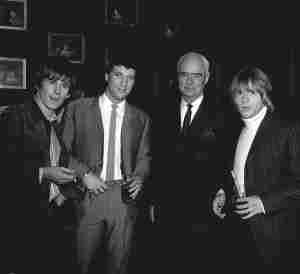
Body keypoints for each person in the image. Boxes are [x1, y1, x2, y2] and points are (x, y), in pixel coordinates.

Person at [61, 50, 151, 274]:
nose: (124, 83)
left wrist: (140, 176)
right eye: (118, 75)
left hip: (123, 199)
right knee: (81, 264)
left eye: (130, 77)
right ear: (106, 76)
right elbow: (62, 151)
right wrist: (83, 174)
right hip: (88, 194)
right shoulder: (77, 109)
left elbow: (145, 156)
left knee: (119, 266)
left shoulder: (142, 118)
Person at [213, 67, 300, 271]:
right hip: (240, 229)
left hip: (275, 235)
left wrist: (263, 202)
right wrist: (224, 193)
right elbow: (237, 175)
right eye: (239, 93)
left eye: (251, 92)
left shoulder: (288, 130)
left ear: (264, 96)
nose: (243, 99)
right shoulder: (235, 130)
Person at [1, 56, 81, 274]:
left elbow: (60, 163)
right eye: (52, 82)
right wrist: (44, 173)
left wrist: (64, 192)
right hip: (21, 224)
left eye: (64, 86)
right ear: (38, 83)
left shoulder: (56, 121)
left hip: (52, 220)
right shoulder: (15, 117)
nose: (58, 91)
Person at [152, 52, 227, 273]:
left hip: (205, 212)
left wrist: (223, 191)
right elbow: (156, 160)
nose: (190, 81)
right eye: (184, 75)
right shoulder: (160, 110)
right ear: (177, 77)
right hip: (168, 212)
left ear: (207, 77)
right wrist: (154, 201)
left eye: (196, 75)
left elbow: (229, 160)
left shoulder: (224, 113)